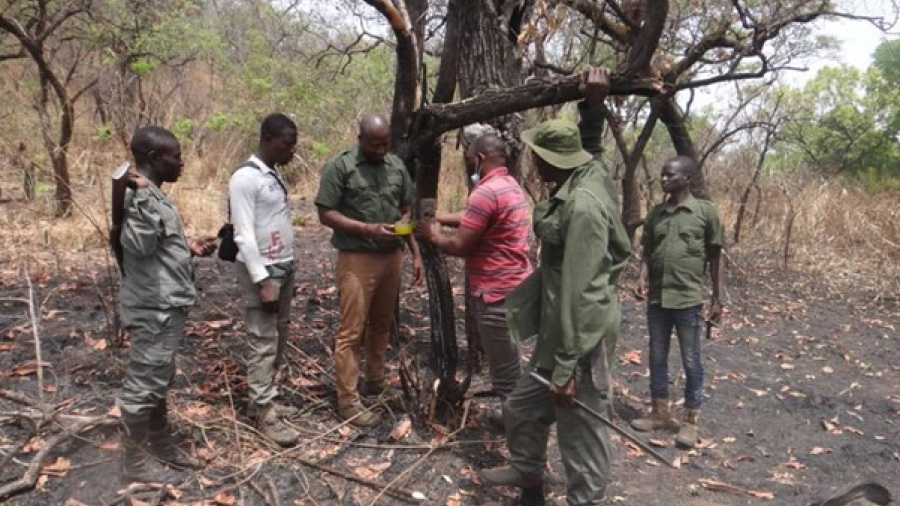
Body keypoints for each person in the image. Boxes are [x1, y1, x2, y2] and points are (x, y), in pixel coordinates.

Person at [479, 68, 631, 506]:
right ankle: (528, 477)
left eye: (537, 155)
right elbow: (593, 147)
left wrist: (566, 368)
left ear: (553, 161)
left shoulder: (583, 207)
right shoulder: (586, 175)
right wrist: (593, 106)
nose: (533, 161)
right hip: (557, 330)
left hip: (579, 339)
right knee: (523, 408)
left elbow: (582, 293)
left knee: (579, 437)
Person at [115, 126, 217, 483]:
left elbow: (152, 246)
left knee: (157, 377)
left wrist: (187, 248)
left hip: (165, 303)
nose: (182, 162)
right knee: (144, 383)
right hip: (152, 306)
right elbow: (138, 247)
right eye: (175, 156)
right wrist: (141, 198)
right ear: (155, 159)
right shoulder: (138, 196)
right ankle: (132, 464)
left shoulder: (153, 195)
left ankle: (161, 445)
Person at [315, 113, 423, 427]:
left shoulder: (396, 166)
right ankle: (348, 400)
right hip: (357, 257)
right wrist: (366, 228)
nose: (379, 150)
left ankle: (375, 382)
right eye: (374, 144)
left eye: (385, 144)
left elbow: (406, 210)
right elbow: (325, 213)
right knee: (352, 331)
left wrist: (414, 252)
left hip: (392, 257)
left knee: (381, 324)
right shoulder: (342, 166)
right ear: (360, 138)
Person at [416, 132, 531, 404]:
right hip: (515, 289)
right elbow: (476, 217)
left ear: (479, 158)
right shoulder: (509, 185)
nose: (467, 165)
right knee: (511, 362)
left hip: (495, 293)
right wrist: (441, 217)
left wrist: (433, 235)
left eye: (469, 159)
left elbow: (460, 245)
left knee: (506, 377)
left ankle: (517, 432)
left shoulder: (486, 192)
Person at [630, 155, 723, 448]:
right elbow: (647, 251)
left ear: (687, 178)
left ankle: (690, 421)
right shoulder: (657, 214)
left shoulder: (705, 213)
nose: (664, 179)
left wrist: (718, 298)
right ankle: (660, 413)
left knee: (691, 359)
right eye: (662, 174)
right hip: (658, 298)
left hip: (687, 299)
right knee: (656, 356)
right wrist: (642, 277)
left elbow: (716, 257)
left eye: (670, 175)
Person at [229, 113, 300, 446]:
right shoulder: (245, 178)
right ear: (269, 138)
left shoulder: (270, 175)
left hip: (282, 266)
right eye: (288, 143)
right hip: (265, 271)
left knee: (278, 335)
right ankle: (262, 411)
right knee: (262, 339)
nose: (292, 150)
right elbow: (243, 234)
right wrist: (262, 280)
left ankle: (265, 398)